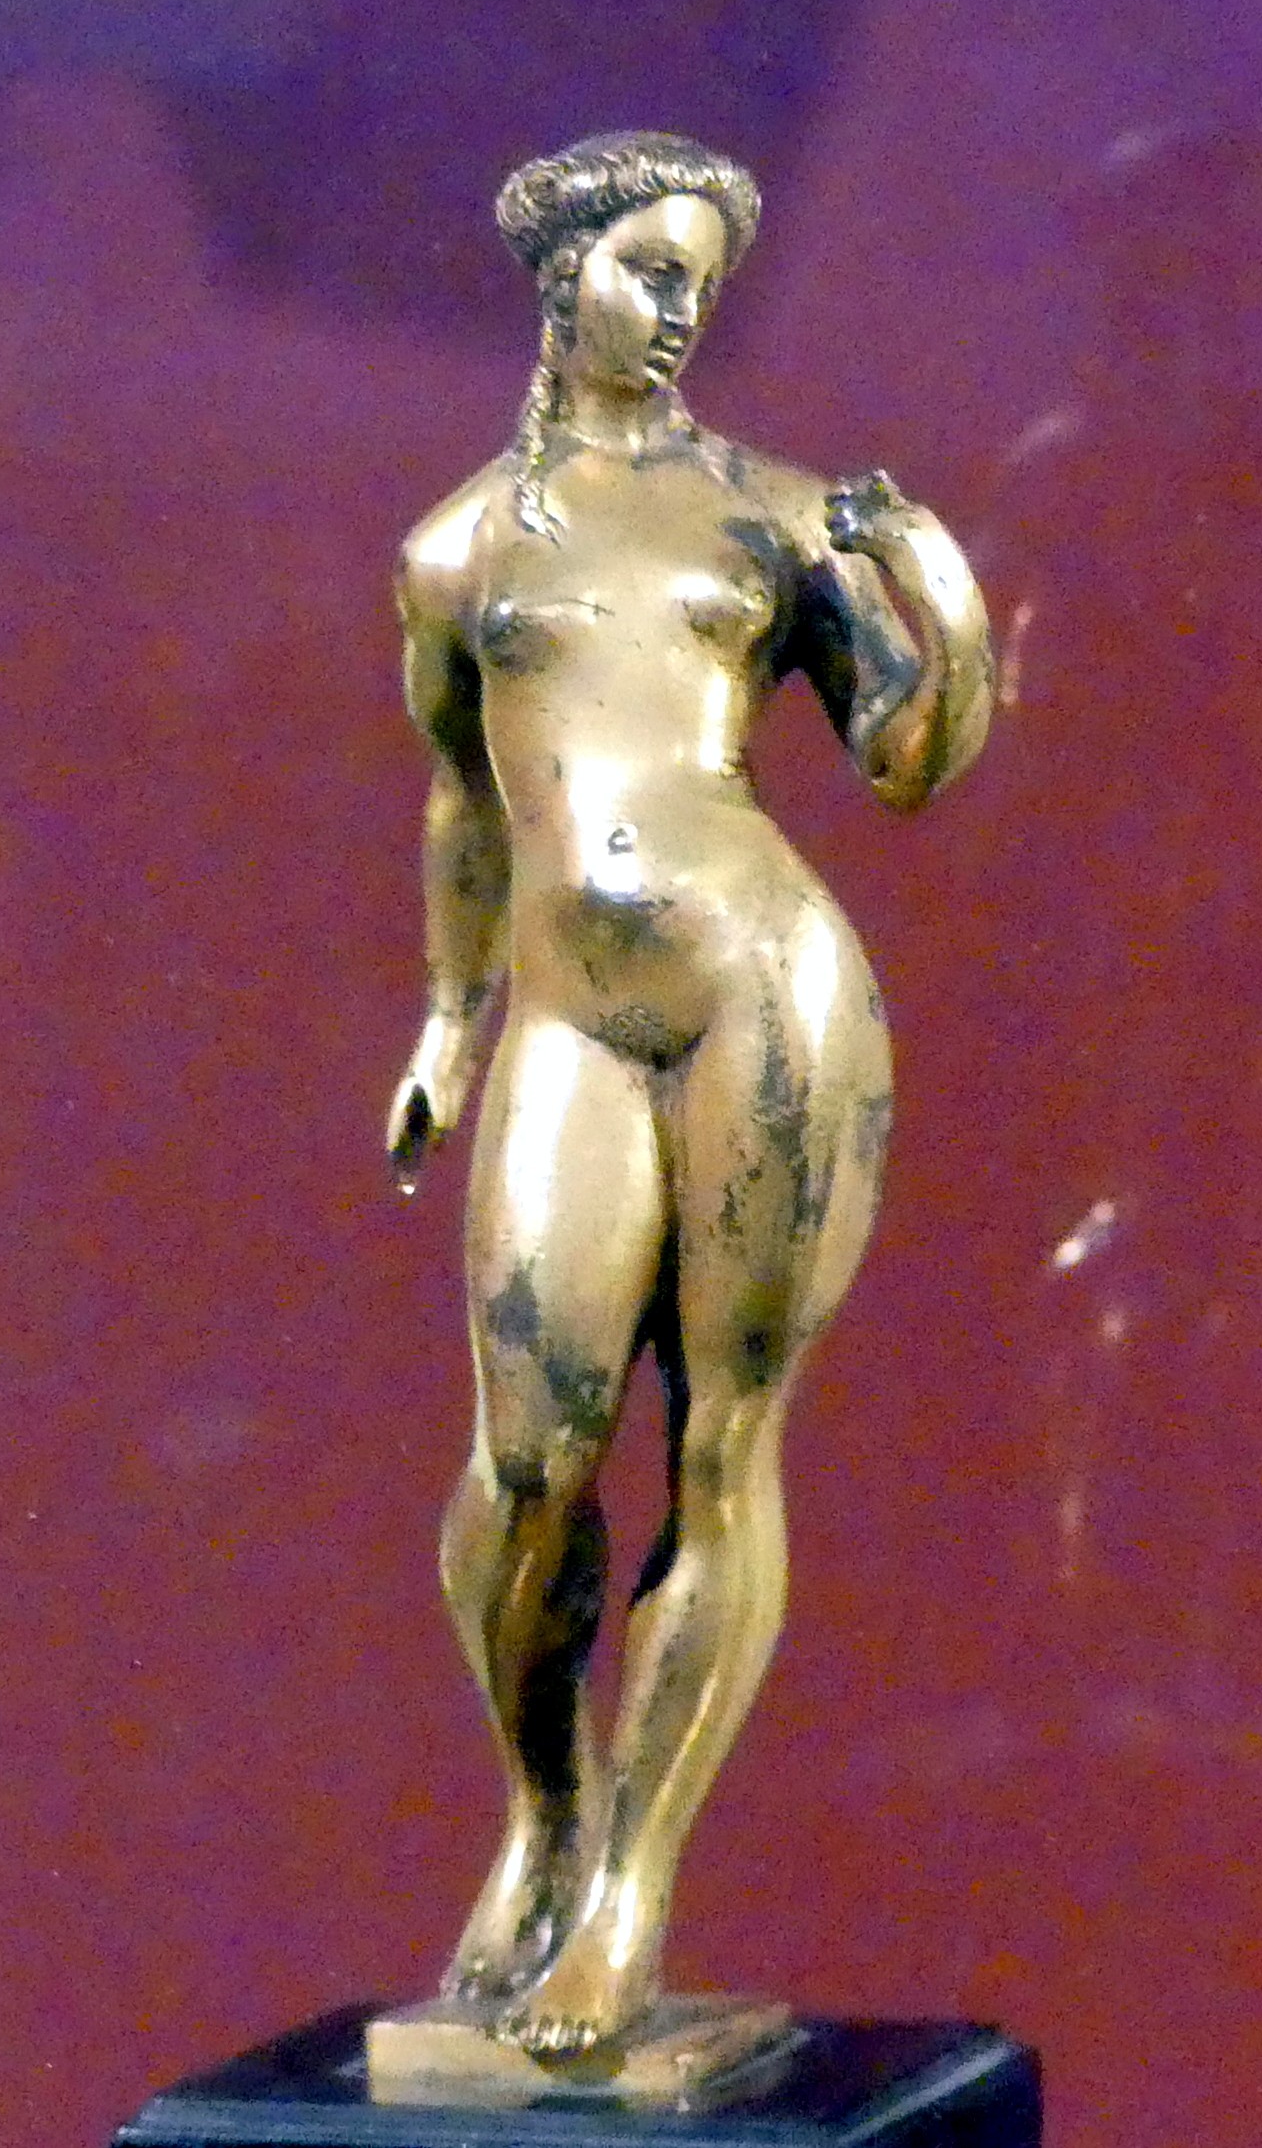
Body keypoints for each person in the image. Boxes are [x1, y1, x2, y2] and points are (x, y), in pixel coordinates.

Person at [381, 131, 995, 2055]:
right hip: (566, 1012)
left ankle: (631, 1896)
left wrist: (945, 601)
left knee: (721, 1449)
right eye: (647, 271)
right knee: (526, 1463)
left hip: (759, 983)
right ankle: (547, 1814)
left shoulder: (776, 515)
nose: (675, 313)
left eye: (700, 287)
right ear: (561, 273)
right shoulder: (461, 545)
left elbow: (908, 763)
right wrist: (446, 1024)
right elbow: (464, 804)